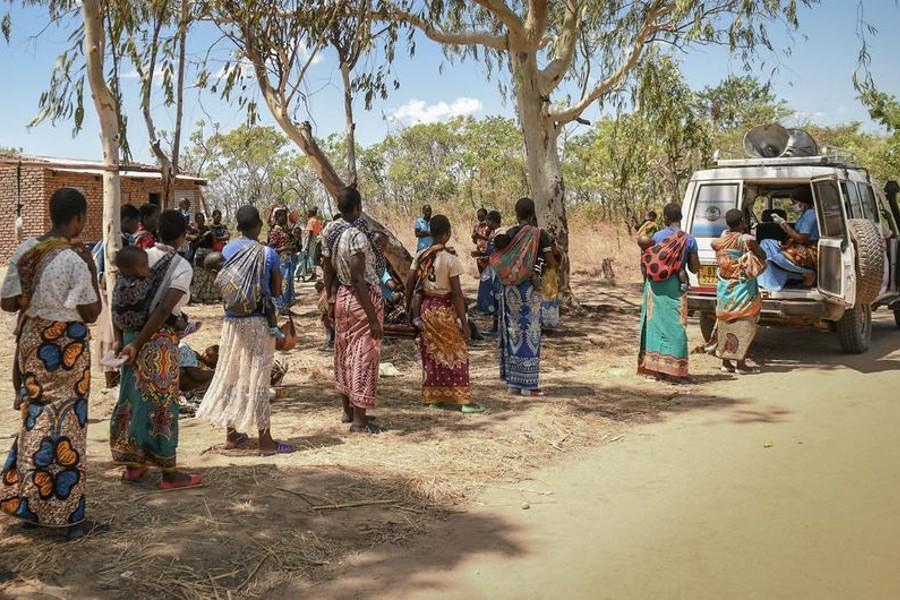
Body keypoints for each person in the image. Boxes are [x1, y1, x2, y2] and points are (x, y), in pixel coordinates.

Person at [0, 188, 102, 540]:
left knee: (36, 417)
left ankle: (29, 504)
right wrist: (90, 269)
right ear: (77, 218)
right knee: (67, 423)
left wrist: (40, 299)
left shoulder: (26, 250)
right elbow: (90, 313)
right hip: (65, 344)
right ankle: (66, 516)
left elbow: (9, 303)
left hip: (32, 340)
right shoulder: (74, 259)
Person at [110, 210, 203, 490]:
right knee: (162, 404)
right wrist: (140, 344)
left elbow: (119, 297)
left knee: (131, 399)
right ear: (183, 235)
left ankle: (134, 467)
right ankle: (169, 473)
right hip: (157, 340)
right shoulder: (180, 266)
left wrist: (122, 340)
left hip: (129, 337)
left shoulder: (141, 255)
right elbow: (164, 310)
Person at [197, 206, 296, 455]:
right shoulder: (267, 253)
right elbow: (276, 290)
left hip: (231, 322)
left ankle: (232, 435)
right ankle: (265, 441)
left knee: (232, 376)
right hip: (258, 321)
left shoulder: (227, 250)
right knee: (259, 379)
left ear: (237, 227)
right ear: (260, 225)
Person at [406, 215, 485, 413]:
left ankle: (434, 397)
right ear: (447, 233)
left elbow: (409, 283)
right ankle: (463, 400)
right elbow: (457, 293)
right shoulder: (450, 259)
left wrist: (409, 308)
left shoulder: (421, 255)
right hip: (443, 310)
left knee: (431, 353)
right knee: (457, 352)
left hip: (426, 310)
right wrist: (464, 323)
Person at [322, 187, 385, 433]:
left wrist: (330, 298)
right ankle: (360, 419)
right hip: (362, 298)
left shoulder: (330, 230)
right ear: (358, 208)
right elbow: (359, 279)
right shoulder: (357, 236)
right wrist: (373, 318)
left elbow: (327, 268)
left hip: (342, 298)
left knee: (344, 351)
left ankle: (347, 411)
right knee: (364, 356)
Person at [491, 198, 556, 396]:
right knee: (530, 332)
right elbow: (551, 262)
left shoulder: (510, 233)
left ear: (517, 214)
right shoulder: (539, 234)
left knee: (514, 331)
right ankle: (529, 386)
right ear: (532, 214)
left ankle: (514, 383)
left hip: (510, 289)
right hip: (529, 288)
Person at [637, 202, 700, 384]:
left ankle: (655, 368)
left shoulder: (656, 236)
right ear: (680, 218)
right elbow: (695, 268)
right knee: (676, 326)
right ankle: (676, 372)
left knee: (655, 325)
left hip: (655, 286)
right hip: (674, 285)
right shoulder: (688, 239)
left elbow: (646, 258)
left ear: (665, 218)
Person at [711, 209, 767, 374]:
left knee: (726, 321)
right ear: (742, 221)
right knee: (744, 323)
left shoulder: (719, 241)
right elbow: (762, 254)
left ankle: (725, 361)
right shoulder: (747, 240)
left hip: (724, 288)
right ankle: (741, 364)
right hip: (743, 288)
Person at [93, 203, 141, 388]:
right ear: (126, 220)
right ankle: (114, 378)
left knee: (107, 331)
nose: (138, 225)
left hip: (105, 291)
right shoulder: (119, 242)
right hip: (115, 292)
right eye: (136, 221)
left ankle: (111, 379)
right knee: (114, 333)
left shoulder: (103, 241)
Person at [758, 185, 819, 291]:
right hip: (799, 246)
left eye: (794, 202)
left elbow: (801, 238)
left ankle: (807, 273)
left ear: (802, 201)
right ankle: (772, 282)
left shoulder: (810, 214)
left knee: (766, 244)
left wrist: (783, 224)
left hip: (808, 251)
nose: (793, 205)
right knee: (766, 245)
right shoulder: (805, 214)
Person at [268, 206, 297, 312]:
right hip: (281, 261)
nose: (286, 218)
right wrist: (286, 248)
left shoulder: (283, 230)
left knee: (288, 284)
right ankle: (281, 307)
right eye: (284, 216)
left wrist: (292, 248)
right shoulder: (275, 231)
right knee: (283, 284)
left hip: (287, 260)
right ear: (278, 217)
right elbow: (271, 248)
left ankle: (286, 306)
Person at [476, 210, 502, 319]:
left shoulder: (500, 233)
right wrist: (481, 254)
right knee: (491, 297)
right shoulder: (493, 233)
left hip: (497, 271)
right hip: (490, 268)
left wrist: (487, 258)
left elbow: (501, 253)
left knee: (496, 297)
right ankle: (495, 326)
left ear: (493, 221)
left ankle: (497, 326)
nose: (486, 223)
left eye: (488, 220)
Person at [190, 213, 220, 304]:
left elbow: (214, 242)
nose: (201, 220)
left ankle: (209, 297)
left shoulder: (208, 229)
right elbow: (192, 245)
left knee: (209, 275)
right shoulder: (194, 231)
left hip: (209, 252)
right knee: (199, 275)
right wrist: (200, 239)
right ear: (196, 221)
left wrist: (213, 233)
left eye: (202, 218)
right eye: (199, 219)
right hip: (199, 253)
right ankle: (197, 296)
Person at [541, 232, 562, 329]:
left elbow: (555, 264)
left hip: (549, 277)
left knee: (548, 298)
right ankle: (547, 324)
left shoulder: (554, 252)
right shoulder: (553, 251)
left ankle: (548, 324)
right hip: (549, 277)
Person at [303, 207, 323, 282]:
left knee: (310, 257)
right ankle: (313, 274)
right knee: (313, 256)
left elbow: (310, 233)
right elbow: (317, 232)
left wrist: (307, 245)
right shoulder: (317, 221)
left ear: (311, 213)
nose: (307, 214)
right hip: (315, 239)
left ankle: (313, 274)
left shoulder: (311, 221)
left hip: (311, 239)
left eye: (308, 212)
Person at [471, 207, 491, 271]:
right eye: (478, 216)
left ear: (486, 216)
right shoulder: (476, 226)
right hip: (479, 252)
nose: (480, 219)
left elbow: (491, 239)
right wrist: (474, 238)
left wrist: (480, 237)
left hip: (488, 252)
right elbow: (474, 241)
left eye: (482, 216)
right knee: (482, 274)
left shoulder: (489, 226)